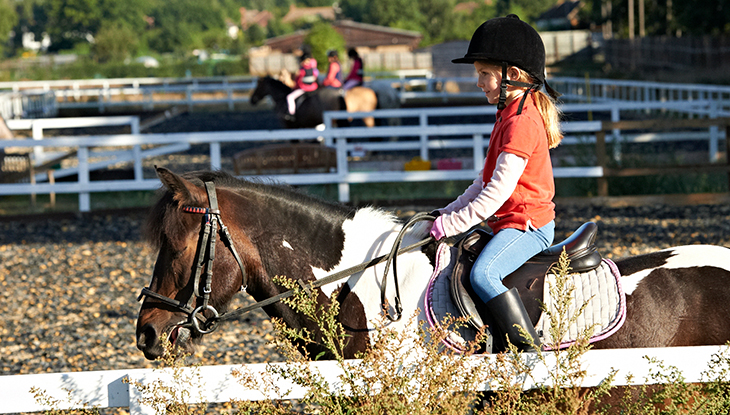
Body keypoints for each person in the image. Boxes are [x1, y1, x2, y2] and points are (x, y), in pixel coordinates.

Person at [429, 14, 563, 352]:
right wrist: (447, 212)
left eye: (483, 74)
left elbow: (497, 192)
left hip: (527, 227)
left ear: (512, 76)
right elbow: (483, 181)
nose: (478, 83)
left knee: (483, 275)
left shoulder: (522, 122)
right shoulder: (508, 114)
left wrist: (455, 224)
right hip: (509, 223)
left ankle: (531, 355)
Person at [286, 52, 319, 119]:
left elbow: (297, 83)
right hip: (314, 88)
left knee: (290, 97)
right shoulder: (313, 70)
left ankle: (291, 114)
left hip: (304, 89)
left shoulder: (301, 71)